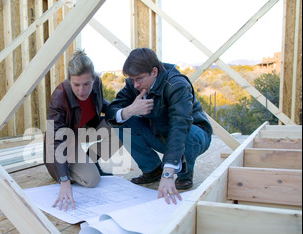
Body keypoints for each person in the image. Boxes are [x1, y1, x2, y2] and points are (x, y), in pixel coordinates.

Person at [105, 48, 212, 204]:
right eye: (132, 80)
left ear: (154, 72)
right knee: (122, 121)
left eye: (139, 79)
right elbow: (111, 113)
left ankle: (184, 173)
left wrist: (168, 174)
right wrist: (130, 110)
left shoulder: (176, 84)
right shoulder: (133, 84)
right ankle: (152, 169)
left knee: (187, 134)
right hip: (161, 134)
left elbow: (180, 126)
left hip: (194, 135)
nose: (135, 85)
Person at [44, 49, 120, 211]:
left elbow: (102, 104)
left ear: (93, 79)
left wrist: (124, 111)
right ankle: (75, 168)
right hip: (64, 143)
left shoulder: (97, 84)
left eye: (87, 84)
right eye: (76, 85)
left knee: (122, 126)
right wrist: (64, 180)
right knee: (92, 180)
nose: (81, 90)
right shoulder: (59, 96)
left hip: (84, 130)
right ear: (69, 80)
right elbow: (55, 140)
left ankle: (90, 160)